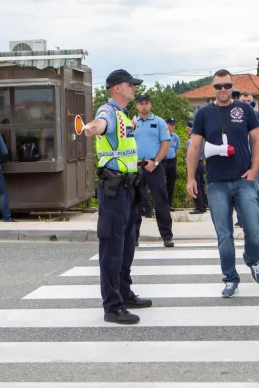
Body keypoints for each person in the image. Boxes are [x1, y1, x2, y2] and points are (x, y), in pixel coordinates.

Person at [81, 69, 152, 325]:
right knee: (112, 247)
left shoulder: (123, 114)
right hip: (114, 189)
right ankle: (112, 306)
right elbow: (100, 123)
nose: (135, 88)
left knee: (127, 244)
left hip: (128, 188)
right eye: (131, 84)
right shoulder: (109, 111)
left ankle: (124, 293)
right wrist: (92, 127)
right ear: (117, 88)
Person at [186, 69, 259, 298]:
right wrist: (190, 178)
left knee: (253, 228)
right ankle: (230, 278)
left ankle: (252, 259)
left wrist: (254, 170)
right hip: (216, 182)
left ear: (232, 86)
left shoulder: (245, 109)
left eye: (227, 86)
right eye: (218, 86)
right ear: (213, 88)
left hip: (243, 180)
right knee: (224, 234)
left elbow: (257, 141)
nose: (223, 90)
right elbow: (194, 146)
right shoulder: (203, 113)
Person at [134, 93, 175, 247]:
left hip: (154, 166)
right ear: (137, 105)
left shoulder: (159, 122)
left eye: (146, 103)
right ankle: (133, 237)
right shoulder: (132, 123)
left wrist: (156, 162)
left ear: (150, 105)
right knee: (134, 203)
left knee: (161, 201)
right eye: (141, 103)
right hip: (135, 166)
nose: (144, 106)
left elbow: (165, 144)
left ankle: (167, 236)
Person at [236, 90, 259, 228]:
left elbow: (257, 130)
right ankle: (241, 219)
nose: (246, 104)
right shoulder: (234, 116)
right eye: (243, 102)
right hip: (238, 158)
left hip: (252, 158)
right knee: (238, 190)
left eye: (249, 102)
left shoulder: (257, 115)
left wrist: (248, 112)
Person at [185, 120, 207, 214]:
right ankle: (204, 205)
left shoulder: (191, 140)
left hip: (195, 164)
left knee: (195, 185)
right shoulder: (202, 139)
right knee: (201, 185)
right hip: (201, 162)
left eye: (187, 129)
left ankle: (199, 207)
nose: (187, 130)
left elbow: (189, 153)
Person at [164, 118, 181, 207]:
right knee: (162, 183)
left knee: (171, 183)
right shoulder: (162, 134)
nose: (173, 126)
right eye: (171, 124)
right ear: (167, 125)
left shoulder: (176, 137)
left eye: (174, 124)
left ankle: (169, 204)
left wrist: (172, 156)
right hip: (163, 162)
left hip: (171, 162)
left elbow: (177, 149)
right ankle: (162, 203)